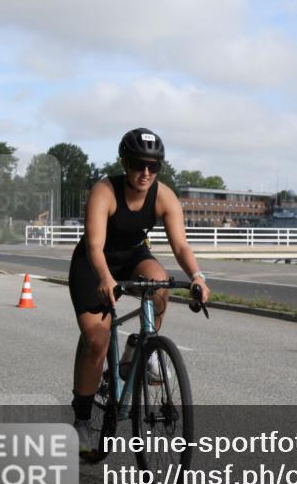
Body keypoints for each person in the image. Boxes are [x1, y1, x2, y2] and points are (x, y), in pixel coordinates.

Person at [69, 128, 210, 457]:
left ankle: (140, 348)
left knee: (160, 283)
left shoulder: (164, 196)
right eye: (137, 165)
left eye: (153, 166)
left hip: (133, 255)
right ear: (124, 163)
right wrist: (105, 278)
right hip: (94, 261)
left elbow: (180, 245)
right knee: (96, 340)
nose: (145, 173)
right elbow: (94, 245)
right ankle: (82, 419)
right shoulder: (105, 190)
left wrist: (198, 277)